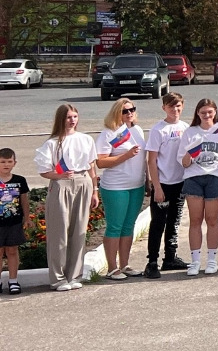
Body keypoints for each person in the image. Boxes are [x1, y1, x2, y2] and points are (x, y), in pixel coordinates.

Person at [34, 104, 97, 291]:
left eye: (75, 116)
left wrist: (94, 190)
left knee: (79, 231)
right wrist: (58, 176)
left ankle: (75, 275)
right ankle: (58, 278)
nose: (72, 120)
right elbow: (44, 171)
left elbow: (92, 166)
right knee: (58, 232)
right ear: (61, 118)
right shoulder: (52, 143)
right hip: (61, 184)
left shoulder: (85, 139)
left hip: (83, 181)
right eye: (69, 117)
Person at [96, 99, 147, 280]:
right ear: (117, 113)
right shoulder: (108, 133)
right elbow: (101, 161)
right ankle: (112, 267)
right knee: (115, 226)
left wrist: (148, 180)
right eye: (125, 111)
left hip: (137, 185)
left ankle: (125, 264)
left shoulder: (137, 130)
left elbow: (143, 158)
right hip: (116, 186)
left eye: (132, 109)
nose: (129, 113)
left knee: (128, 226)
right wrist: (126, 155)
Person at [181, 98, 218, 276]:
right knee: (195, 220)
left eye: (210, 112)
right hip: (193, 178)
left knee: (212, 220)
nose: (207, 115)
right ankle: (194, 262)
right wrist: (190, 152)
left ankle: (212, 259)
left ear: (215, 112)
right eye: (203, 113)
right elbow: (184, 163)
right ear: (197, 114)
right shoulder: (190, 132)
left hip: (215, 178)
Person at [142, 91, 189, 277]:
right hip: (164, 184)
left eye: (178, 106)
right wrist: (157, 186)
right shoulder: (158, 130)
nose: (175, 110)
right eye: (171, 106)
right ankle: (152, 261)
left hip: (180, 182)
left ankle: (170, 257)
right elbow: (151, 160)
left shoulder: (186, 127)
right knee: (158, 223)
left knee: (174, 221)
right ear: (164, 108)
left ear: (182, 106)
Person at [0, 149, 29, 295]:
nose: (6, 164)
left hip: (14, 222)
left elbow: (24, 200)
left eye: (9, 161)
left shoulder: (19, 180)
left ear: (14, 163)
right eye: (2, 162)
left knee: (12, 250)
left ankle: (13, 280)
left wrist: (27, 217)